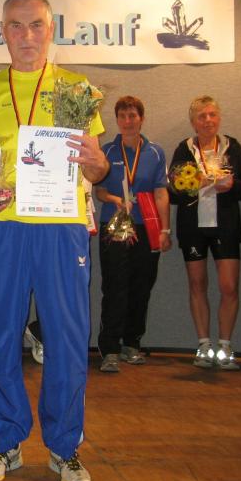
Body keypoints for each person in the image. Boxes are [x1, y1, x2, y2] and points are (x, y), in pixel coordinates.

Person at [0, 0, 108, 481]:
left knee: (66, 338)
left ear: (51, 29)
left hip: (62, 229)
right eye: (16, 26)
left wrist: (96, 163)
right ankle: (5, 442)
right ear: (3, 31)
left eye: (36, 25)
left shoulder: (77, 89)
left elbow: (97, 167)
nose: (27, 36)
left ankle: (65, 448)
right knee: (0, 335)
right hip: (4, 228)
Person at [169, 96, 241, 370]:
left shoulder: (232, 147)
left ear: (219, 117)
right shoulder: (184, 149)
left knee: (229, 286)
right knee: (197, 285)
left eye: (212, 114)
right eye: (201, 116)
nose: (207, 120)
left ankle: (225, 346)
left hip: (225, 226)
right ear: (193, 122)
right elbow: (173, 192)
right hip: (192, 227)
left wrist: (232, 185)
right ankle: (204, 345)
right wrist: (195, 183)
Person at [94, 96, 171, 373]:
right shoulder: (106, 151)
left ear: (141, 118)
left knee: (141, 286)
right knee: (115, 286)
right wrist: (115, 199)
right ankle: (110, 349)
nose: (128, 121)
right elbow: (99, 191)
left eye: (133, 116)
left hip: (145, 226)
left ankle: (131, 343)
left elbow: (161, 193)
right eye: (123, 116)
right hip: (114, 226)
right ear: (117, 120)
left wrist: (165, 229)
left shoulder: (155, 152)